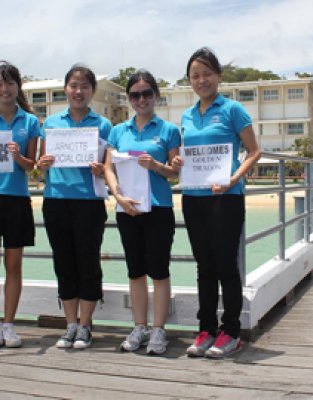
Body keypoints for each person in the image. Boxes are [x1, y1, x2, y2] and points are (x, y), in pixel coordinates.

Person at [171, 47, 261, 358]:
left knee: (226, 266)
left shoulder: (234, 110)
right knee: (204, 267)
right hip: (193, 198)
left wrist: (234, 179)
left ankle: (231, 331)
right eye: (195, 76)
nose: (201, 80)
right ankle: (206, 329)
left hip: (226, 199)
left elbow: (254, 152)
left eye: (207, 74)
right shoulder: (186, 115)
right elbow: (190, 155)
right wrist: (181, 160)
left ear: (218, 76)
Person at [104, 70, 180, 355]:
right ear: (129, 99)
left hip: (159, 209)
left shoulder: (169, 130)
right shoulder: (118, 131)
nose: (141, 99)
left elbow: (175, 172)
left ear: (156, 96)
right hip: (128, 209)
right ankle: (139, 326)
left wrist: (156, 167)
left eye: (147, 93)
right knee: (135, 271)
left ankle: (159, 330)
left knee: (159, 270)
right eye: (135, 94)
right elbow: (109, 169)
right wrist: (118, 196)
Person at [37, 64, 112, 349]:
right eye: (73, 85)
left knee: (88, 262)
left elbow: (110, 168)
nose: (78, 91)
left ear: (92, 91)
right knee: (63, 262)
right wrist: (41, 164)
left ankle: (85, 326)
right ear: (65, 89)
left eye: (84, 86)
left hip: (89, 203)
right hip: (56, 200)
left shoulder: (103, 125)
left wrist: (101, 171)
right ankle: (70, 325)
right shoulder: (51, 124)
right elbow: (41, 165)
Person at [0, 61, 40, 348]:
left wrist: (18, 157)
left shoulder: (30, 121)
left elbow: (33, 167)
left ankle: (9, 325)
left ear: (18, 86)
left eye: (10, 83)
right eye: (0, 83)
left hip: (15, 200)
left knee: (13, 265)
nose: (5, 89)